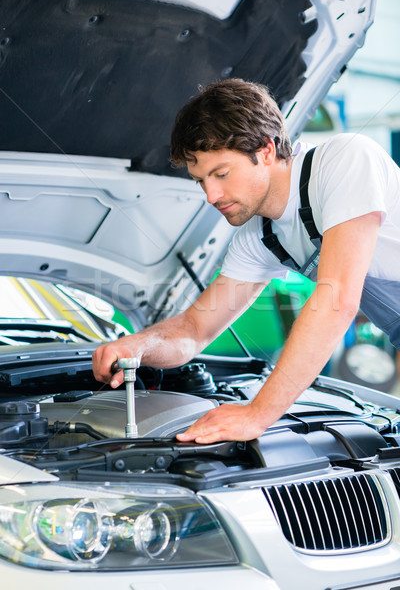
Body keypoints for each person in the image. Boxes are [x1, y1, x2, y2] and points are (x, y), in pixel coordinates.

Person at [92, 78, 400, 444]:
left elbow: (337, 300)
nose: (211, 195)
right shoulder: (259, 237)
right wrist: (138, 345)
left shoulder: (345, 160)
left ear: (266, 150)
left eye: (221, 174)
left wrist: (258, 414)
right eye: (200, 180)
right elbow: (194, 330)